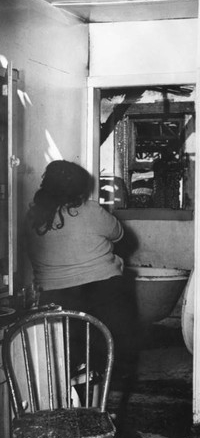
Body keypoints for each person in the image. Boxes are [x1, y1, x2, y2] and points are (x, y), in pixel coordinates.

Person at [25, 160, 135, 375]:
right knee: (107, 353)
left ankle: (74, 393)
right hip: (103, 294)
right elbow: (120, 235)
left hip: (55, 298)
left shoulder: (31, 217)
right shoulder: (91, 210)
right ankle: (100, 389)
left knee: (67, 359)